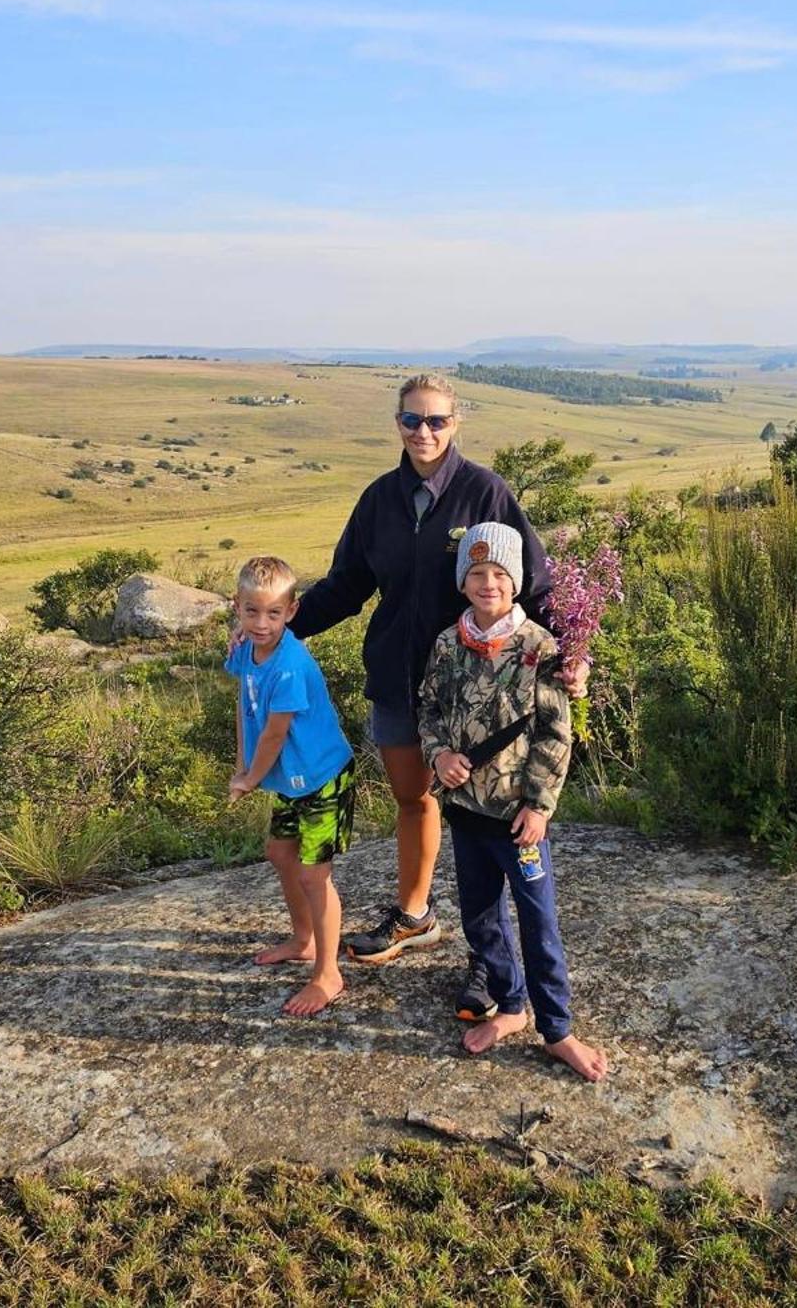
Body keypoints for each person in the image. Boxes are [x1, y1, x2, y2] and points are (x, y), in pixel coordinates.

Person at [289, 372, 580, 968]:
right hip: (398, 678)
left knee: (486, 815)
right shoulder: (378, 500)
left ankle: (491, 959)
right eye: (412, 420)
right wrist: (280, 627)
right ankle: (416, 915)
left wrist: (571, 656)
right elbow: (347, 585)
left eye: (436, 420)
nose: (424, 431)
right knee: (413, 798)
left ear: (456, 423)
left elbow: (537, 583)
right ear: (397, 424)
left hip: (477, 686)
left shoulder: (485, 492)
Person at [418, 521, 608, 1082]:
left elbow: (555, 732)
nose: (488, 583)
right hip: (466, 811)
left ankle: (558, 1030)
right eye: (477, 573)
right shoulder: (448, 643)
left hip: (517, 819)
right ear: (463, 581)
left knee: (537, 921)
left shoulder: (540, 647)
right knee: (480, 921)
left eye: (500, 573)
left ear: (517, 580)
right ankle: (512, 1006)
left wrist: (540, 805)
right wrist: (437, 756)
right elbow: (427, 708)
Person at [226, 555, 357, 1017]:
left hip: (322, 779)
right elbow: (244, 701)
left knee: (313, 875)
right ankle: (303, 939)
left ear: (292, 611)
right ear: (237, 608)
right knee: (281, 853)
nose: (262, 623)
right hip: (292, 780)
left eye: (274, 613)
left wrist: (249, 779)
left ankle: (328, 973)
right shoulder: (246, 648)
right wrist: (242, 764)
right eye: (252, 612)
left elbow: (276, 732)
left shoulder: (290, 665)